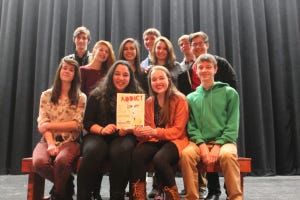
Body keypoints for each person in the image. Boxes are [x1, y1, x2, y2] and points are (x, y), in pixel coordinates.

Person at [178, 31, 238, 200]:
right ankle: (202, 193)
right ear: (196, 70)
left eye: (200, 43)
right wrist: (202, 145)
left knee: (227, 156)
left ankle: (232, 194)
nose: (204, 70)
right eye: (193, 44)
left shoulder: (227, 87)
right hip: (200, 133)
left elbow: (232, 122)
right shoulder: (189, 75)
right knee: (187, 154)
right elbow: (190, 120)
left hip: (222, 131)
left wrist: (218, 144)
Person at [76, 60, 144, 200]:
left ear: (130, 77)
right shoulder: (97, 94)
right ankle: (84, 195)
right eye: (117, 74)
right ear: (111, 75)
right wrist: (102, 130)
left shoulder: (137, 96)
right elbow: (87, 122)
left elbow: (140, 123)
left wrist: (130, 129)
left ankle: (117, 195)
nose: (121, 78)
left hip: (124, 136)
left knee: (122, 151)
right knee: (93, 150)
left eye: (125, 75)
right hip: (98, 134)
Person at [130, 66, 189, 200]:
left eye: (161, 78)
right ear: (150, 83)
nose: (158, 82)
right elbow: (147, 130)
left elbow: (178, 130)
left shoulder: (180, 99)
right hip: (155, 140)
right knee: (137, 154)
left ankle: (172, 196)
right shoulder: (149, 102)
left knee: (160, 159)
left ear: (169, 79)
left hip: (175, 140)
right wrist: (139, 132)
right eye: (154, 79)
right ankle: (138, 196)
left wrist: (154, 131)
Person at [32, 56, 87, 200]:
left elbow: (76, 125)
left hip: (71, 141)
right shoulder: (46, 95)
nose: (67, 71)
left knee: (61, 162)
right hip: (48, 139)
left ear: (75, 75)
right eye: (65, 68)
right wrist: (50, 144)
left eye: (71, 70)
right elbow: (42, 123)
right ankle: (67, 183)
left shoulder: (81, 97)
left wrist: (49, 125)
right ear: (59, 70)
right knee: (38, 163)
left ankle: (57, 195)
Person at [80, 40, 116, 200]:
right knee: (94, 151)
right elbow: (78, 97)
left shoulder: (108, 73)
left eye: (106, 51)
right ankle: (87, 191)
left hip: (105, 120)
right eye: (100, 49)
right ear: (93, 50)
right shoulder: (82, 70)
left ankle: (96, 191)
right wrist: (83, 125)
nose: (103, 53)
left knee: (102, 151)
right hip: (87, 120)